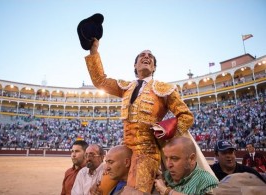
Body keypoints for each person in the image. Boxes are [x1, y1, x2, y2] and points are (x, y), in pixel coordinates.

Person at [84, 38, 194, 193]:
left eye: (150, 56)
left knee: (133, 193)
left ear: (154, 67)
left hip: (147, 154)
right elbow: (100, 81)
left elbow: (186, 116)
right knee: (97, 191)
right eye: (142, 55)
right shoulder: (125, 87)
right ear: (135, 66)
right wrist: (94, 50)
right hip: (124, 150)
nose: (146, 56)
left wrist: (165, 131)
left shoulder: (164, 89)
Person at [154, 137, 218, 195]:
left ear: (191, 159)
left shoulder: (207, 182)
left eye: (174, 158)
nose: (168, 165)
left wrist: (167, 191)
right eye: (166, 158)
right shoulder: (166, 176)